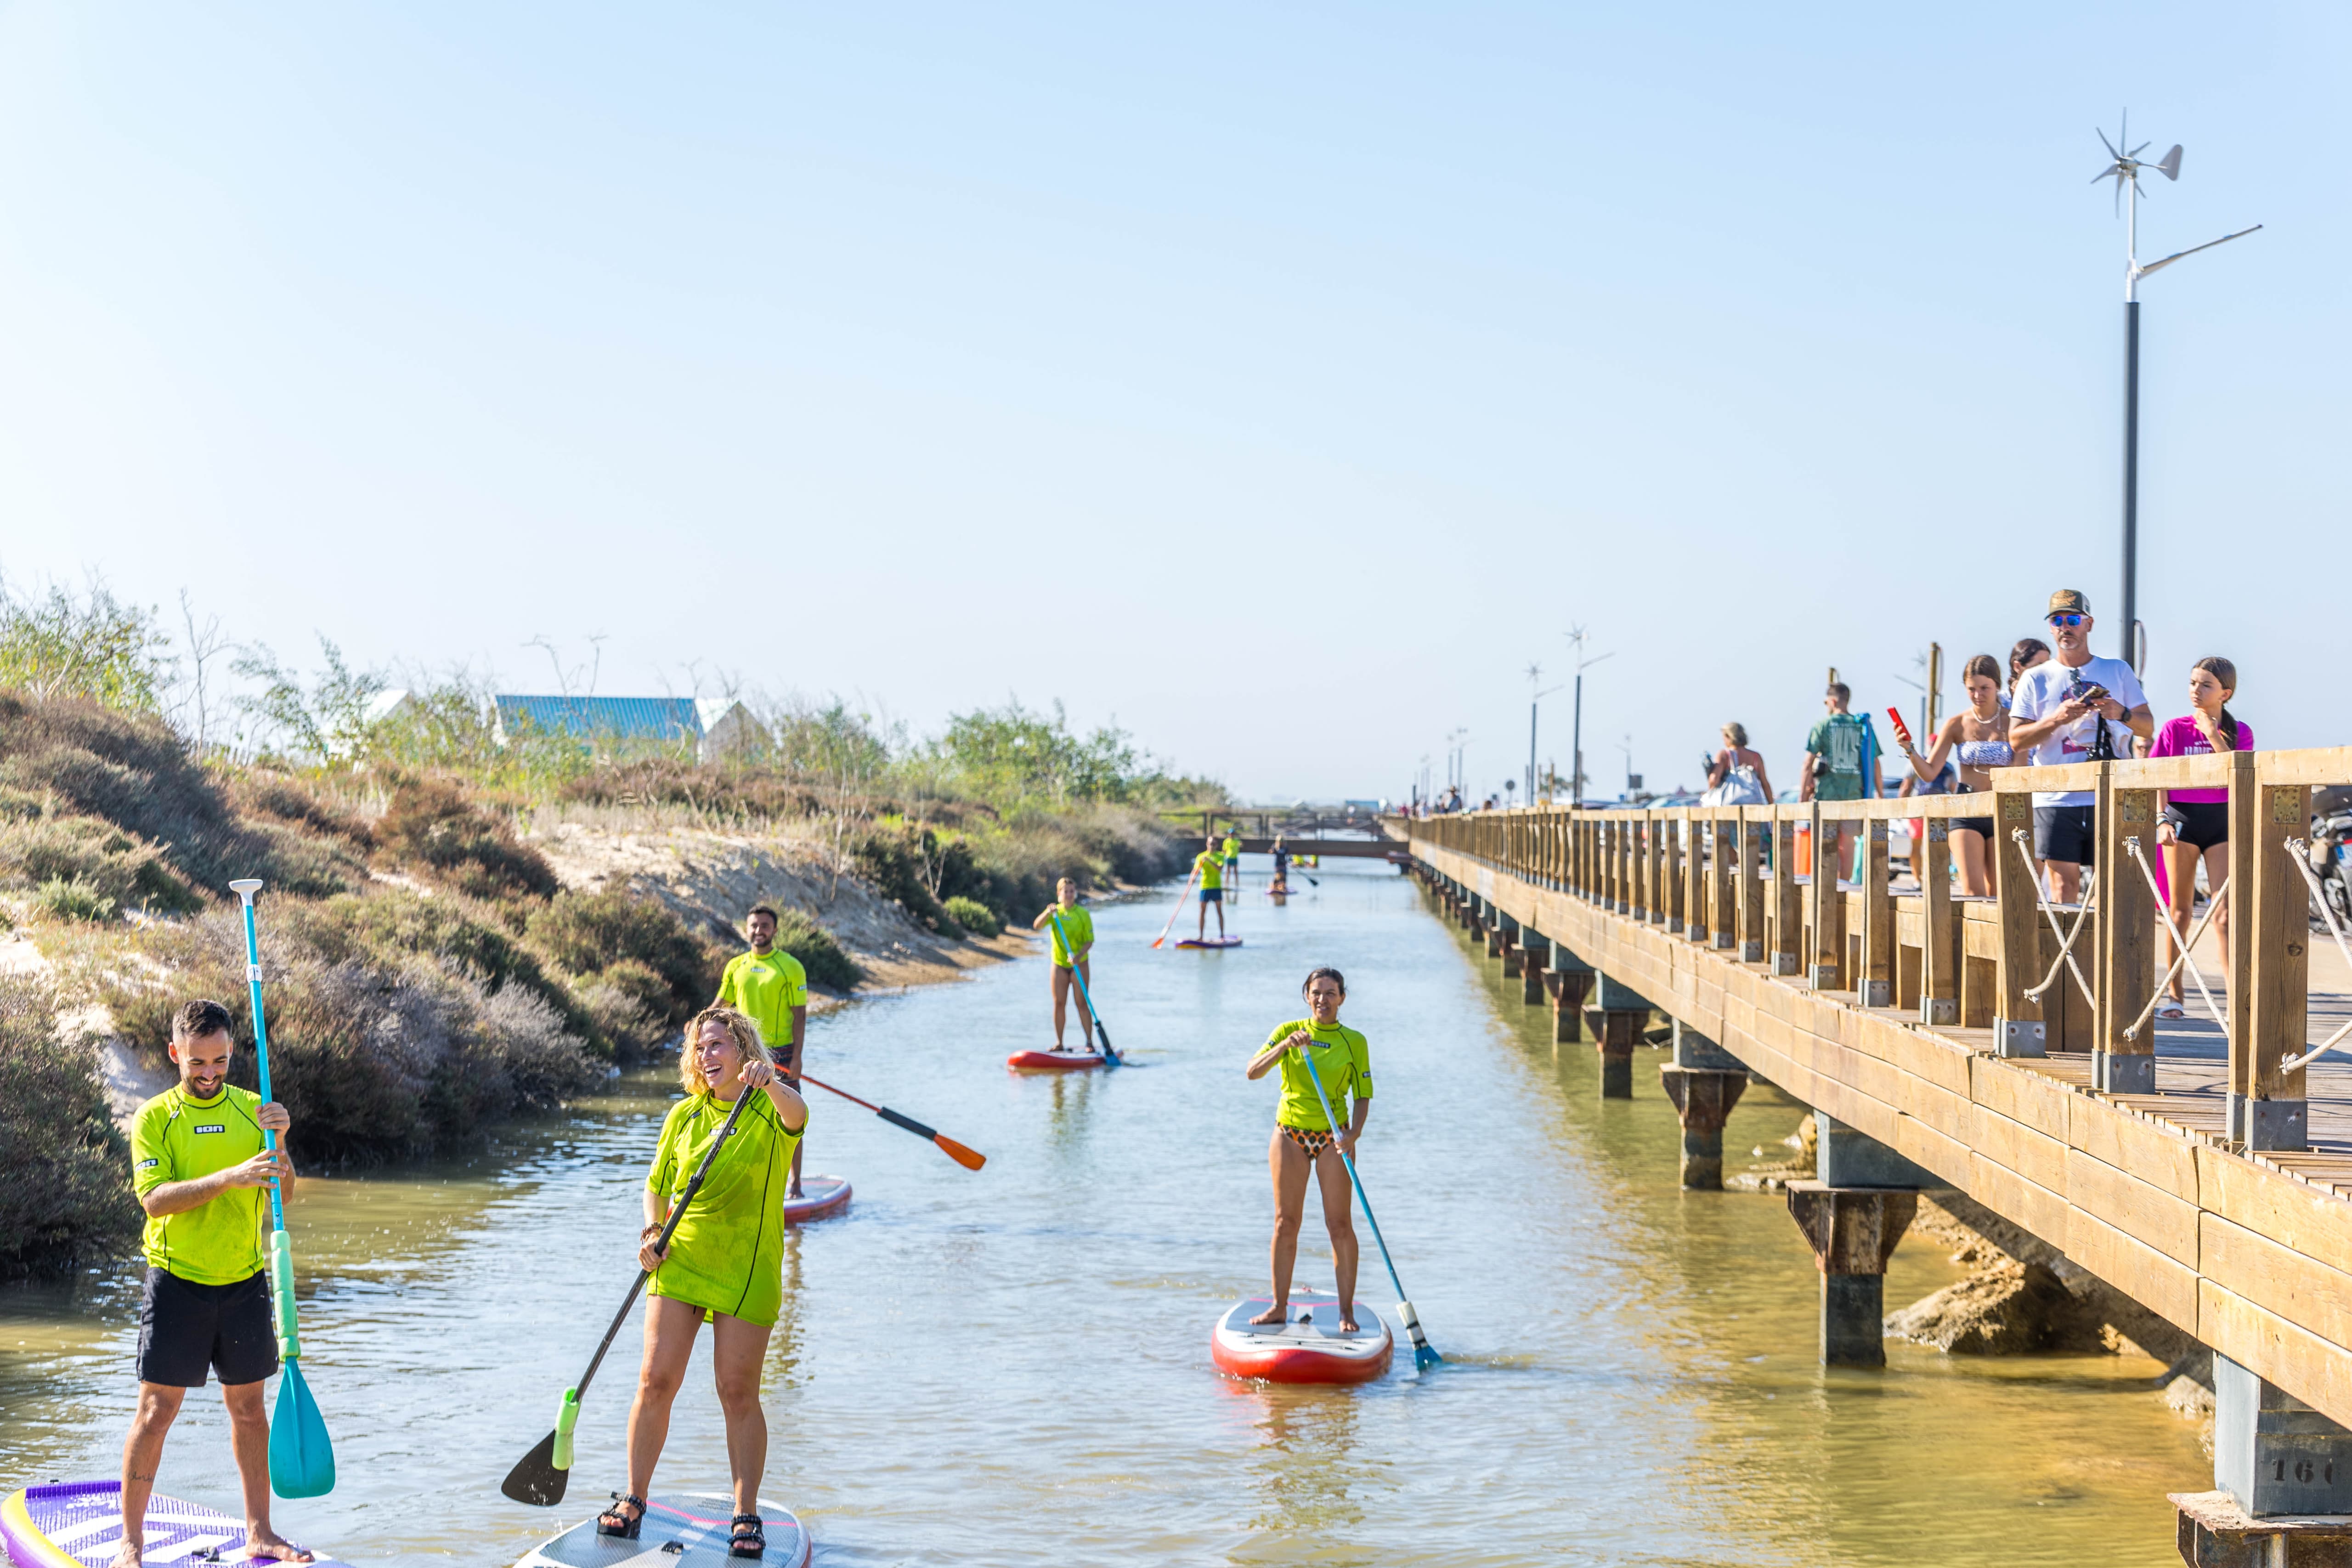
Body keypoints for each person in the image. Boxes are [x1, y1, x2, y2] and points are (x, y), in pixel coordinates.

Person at [601, 1006, 808, 1557]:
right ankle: (634, 1498)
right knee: (654, 1380)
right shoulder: (683, 1115)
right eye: (698, 1047)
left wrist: (772, 1080)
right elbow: (656, 1185)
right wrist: (652, 1230)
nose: (706, 1055)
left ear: (743, 1051)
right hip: (683, 1257)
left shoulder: (768, 1107)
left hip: (745, 1267)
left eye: (717, 1044)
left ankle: (746, 1513)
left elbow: (799, 1114)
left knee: (736, 1390)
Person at [117, 1000, 313, 1568]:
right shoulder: (154, 1117)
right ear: (175, 1053)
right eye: (197, 1061)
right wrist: (232, 1175)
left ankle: (261, 1532)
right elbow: (155, 1201)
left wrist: (281, 1145)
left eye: (220, 1060)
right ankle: (131, 1543)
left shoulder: (256, 1109)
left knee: (250, 1410)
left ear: (231, 1052)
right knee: (156, 1412)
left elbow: (285, 1193)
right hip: (178, 1281)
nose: (209, 1072)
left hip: (244, 1280)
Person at [1244, 968, 1373, 1332]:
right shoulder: (1288, 1031)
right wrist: (1285, 1047)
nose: (1323, 999)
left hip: (1334, 1138)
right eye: (1316, 992)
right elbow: (1252, 1071)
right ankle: (1278, 1306)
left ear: (1342, 998)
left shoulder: (1354, 1041)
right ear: (1306, 996)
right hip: (1290, 1135)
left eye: (1331, 993)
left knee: (1339, 1224)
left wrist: (1354, 1134)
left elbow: (1363, 1095)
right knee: (1286, 1222)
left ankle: (1346, 1312)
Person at [2006, 589, 2153, 903]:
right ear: (2050, 628)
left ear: (2089, 624)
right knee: (2063, 888)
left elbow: (2147, 726)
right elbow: (2016, 739)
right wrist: (2056, 719)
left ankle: (2105, 939)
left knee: (2113, 887)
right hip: (2056, 797)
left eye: (2073, 620)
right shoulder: (2035, 678)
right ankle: (2068, 939)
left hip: (2108, 794)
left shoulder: (2117, 670)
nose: (2065, 628)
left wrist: (2120, 713)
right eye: (2057, 621)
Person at [2151, 657, 2251, 1018]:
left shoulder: (2240, 731)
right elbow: (2157, 776)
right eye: (2193, 682)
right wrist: (2162, 820)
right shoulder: (2173, 729)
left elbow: (2237, 775)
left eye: (2206, 685)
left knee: (2224, 916)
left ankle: (2236, 1000)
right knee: (2179, 912)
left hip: (2221, 823)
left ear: (2225, 693)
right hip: (2183, 821)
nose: (2196, 690)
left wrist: (2212, 734)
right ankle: (2174, 995)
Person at [1894, 653, 2012, 897]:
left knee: (2000, 891)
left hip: (2002, 810)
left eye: (1985, 688)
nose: (1978, 695)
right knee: (1973, 892)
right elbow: (1930, 772)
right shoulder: (1957, 724)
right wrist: (1910, 749)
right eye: (1972, 689)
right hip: (1966, 811)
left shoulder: (2012, 721)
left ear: (1997, 686)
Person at [714, 904, 811, 1200]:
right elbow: (720, 1005)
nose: (759, 931)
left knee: (790, 1117)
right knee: (739, 1116)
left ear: (775, 930)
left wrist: (797, 1058)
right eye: (754, 925)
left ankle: (795, 1184)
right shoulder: (736, 966)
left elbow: (800, 1016)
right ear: (747, 929)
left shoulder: (790, 966)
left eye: (765, 926)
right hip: (743, 1052)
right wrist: (698, 1023)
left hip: (781, 1054)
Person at [1800, 683, 1882, 880]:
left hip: (1826, 797)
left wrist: (1802, 798)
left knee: (1825, 846)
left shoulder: (1822, 726)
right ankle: (1844, 889)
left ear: (1833, 701)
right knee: (1848, 847)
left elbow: (1808, 763)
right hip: (1853, 796)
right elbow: (1874, 762)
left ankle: (1824, 888)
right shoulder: (1861, 726)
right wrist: (1880, 793)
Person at [1029, 877, 1096, 1052]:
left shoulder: (1082, 914)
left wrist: (1078, 957)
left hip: (1079, 964)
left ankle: (1089, 1042)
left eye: (1072, 891)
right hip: (1059, 964)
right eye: (1066, 891)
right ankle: (1059, 1043)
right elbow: (1037, 926)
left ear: (1075, 893)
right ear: (1059, 894)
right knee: (1059, 1003)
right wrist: (1047, 912)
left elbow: (1090, 941)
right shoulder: (1055, 913)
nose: (1069, 894)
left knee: (1081, 1003)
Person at [1704, 722, 1773, 804]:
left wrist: (1710, 793)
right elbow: (1765, 784)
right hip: (1754, 803)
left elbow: (1714, 779)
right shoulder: (1756, 757)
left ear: (1728, 737)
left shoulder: (1725, 755)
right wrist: (1771, 804)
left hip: (1730, 803)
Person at [1194, 834, 1227, 942]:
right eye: (1210, 844)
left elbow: (1220, 869)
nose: (1212, 846)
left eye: (1214, 844)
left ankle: (1222, 936)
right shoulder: (1201, 856)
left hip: (1216, 887)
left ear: (1217, 845)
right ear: (1207, 844)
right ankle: (1201, 936)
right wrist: (1192, 879)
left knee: (1219, 911)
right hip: (1205, 887)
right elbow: (1195, 870)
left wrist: (1209, 861)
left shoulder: (1220, 856)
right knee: (1202, 911)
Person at [2006, 637, 2052, 707]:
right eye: (2040, 667)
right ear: (2018, 667)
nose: (2046, 671)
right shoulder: (2003, 701)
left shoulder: (2054, 694)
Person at [1221, 828, 1244, 896]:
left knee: (1235, 872)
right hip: (1229, 857)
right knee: (1228, 872)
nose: (1232, 835)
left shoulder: (1237, 840)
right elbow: (1224, 850)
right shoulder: (1226, 841)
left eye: (1233, 834)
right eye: (1231, 834)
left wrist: (1241, 844)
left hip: (1235, 857)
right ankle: (1226, 884)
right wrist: (1222, 857)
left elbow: (1241, 845)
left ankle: (1237, 884)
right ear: (1229, 834)